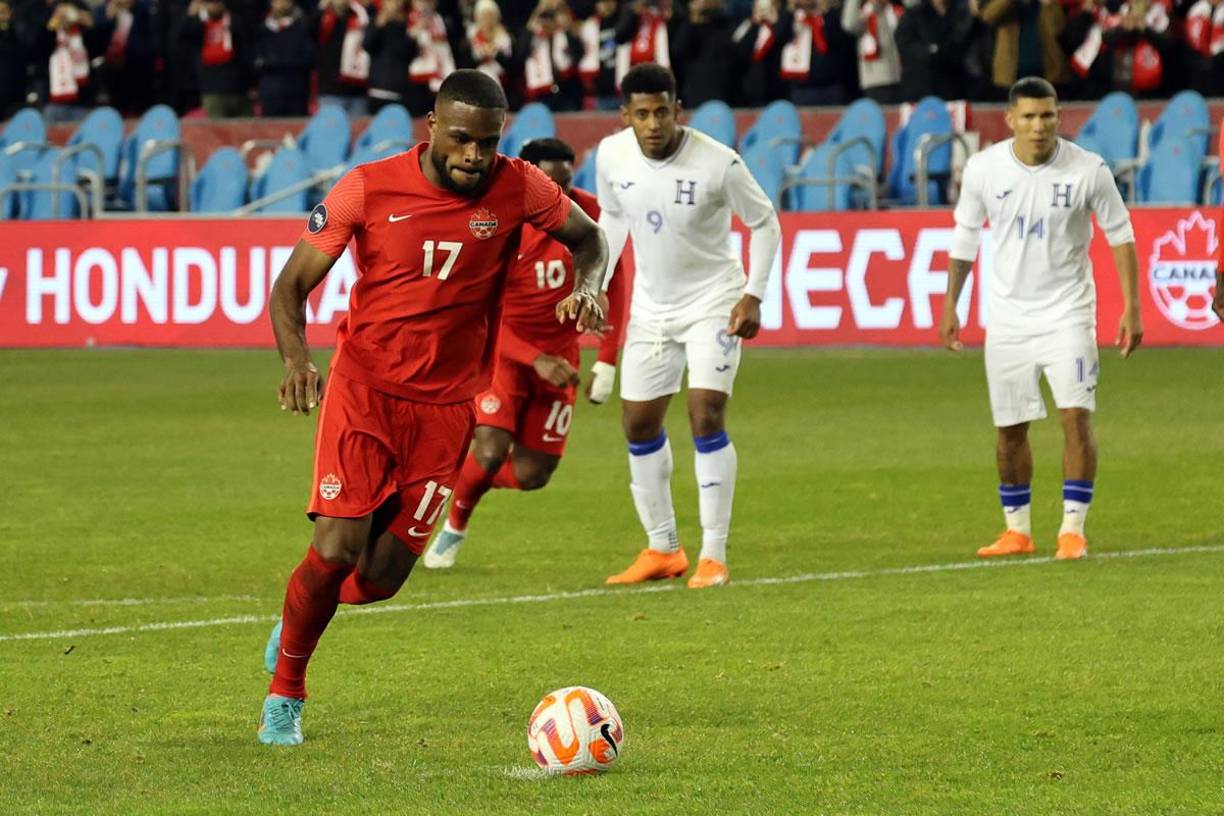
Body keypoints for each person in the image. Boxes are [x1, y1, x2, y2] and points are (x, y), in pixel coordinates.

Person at [257, 69, 608, 747]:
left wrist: (588, 286)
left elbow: (588, 238)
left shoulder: (520, 185)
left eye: (487, 141)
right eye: (461, 139)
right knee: (335, 546)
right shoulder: (368, 187)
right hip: (364, 391)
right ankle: (286, 695)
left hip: (447, 408)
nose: (474, 155)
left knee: (382, 577)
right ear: (431, 125)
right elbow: (291, 285)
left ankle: (302, 616)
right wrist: (297, 360)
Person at [940, 76, 1142, 562]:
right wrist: (952, 302)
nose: (1038, 126)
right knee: (1010, 428)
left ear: (1059, 117)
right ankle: (1018, 531)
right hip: (1007, 318)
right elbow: (965, 240)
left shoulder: (1087, 170)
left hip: (1069, 314)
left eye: (1047, 116)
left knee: (1075, 416)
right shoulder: (984, 171)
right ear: (1010, 120)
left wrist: (1132, 307)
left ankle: (1072, 529)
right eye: (1028, 117)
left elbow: (1121, 234)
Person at [596, 63, 781, 590]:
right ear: (626, 115)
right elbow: (612, 219)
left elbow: (764, 223)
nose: (653, 123)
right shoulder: (611, 156)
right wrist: (595, 283)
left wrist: (753, 294)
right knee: (638, 424)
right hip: (653, 309)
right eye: (641, 114)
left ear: (678, 110)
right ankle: (663, 548)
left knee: (706, 416)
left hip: (714, 302)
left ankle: (713, 556)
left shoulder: (718, 163)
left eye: (662, 112)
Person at [422, 137, 628, 570]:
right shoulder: (499, 220)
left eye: (567, 183)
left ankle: (460, 476)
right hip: (503, 351)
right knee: (493, 449)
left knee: (535, 476)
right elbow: (476, 308)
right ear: (530, 178)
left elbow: (616, 276)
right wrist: (533, 358)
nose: (561, 194)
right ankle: (454, 526)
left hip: (561, 355)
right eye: (550, 184)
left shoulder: (589, 215)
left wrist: (607, 357)